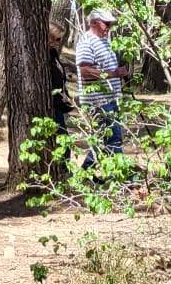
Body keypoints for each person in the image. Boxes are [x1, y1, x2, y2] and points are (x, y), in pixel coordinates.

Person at [75, 9, 128, 161]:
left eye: (110, 24)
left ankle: (86, 173)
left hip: (110, 98)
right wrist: (113, 74)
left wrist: (120, 73)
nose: (109, 27)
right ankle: (122, 176)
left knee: (102, 139)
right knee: (113, 137)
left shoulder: (104, 41)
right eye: (106, 24)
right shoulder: (87, 41)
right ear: (94, 23)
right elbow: (85, 71)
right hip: (97, 100)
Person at [43, 21, 74, 180]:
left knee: (63, 141)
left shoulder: (54, 55)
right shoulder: (44, 57)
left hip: (59, 105)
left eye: (59, 40)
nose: (57, 43)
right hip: (51, 106)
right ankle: (63, 174)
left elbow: (60, 80)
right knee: (63, 142)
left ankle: (61, 172)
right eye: (55, 38)